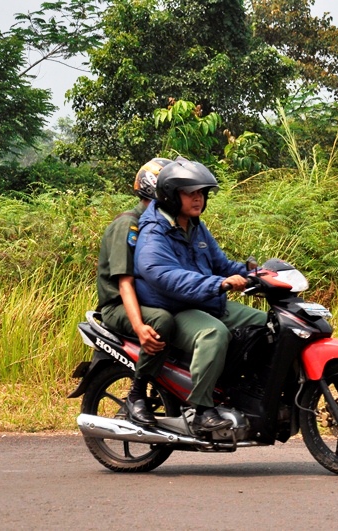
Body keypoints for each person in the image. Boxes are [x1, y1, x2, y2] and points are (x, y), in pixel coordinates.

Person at [134, 158, 266, 434]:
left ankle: (240, 388)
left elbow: (221, 264)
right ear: (170, 195)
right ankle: (199, 410)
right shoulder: (153, 232)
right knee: (213, 333)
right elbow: (163, 275)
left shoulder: (194, 225)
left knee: (266, 325)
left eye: (201, 193)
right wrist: (219, 285)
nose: (198, 199)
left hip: (205, 299)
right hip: (175, 307)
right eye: (190, 193)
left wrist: (255, 274)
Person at [96, 157, 176, 427]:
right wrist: (140, 326)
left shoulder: (164, 223)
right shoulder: (129, 225)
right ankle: (137, 394)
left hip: (146, 299)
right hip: (119, 306)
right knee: (162, 321)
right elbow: (124, 282)